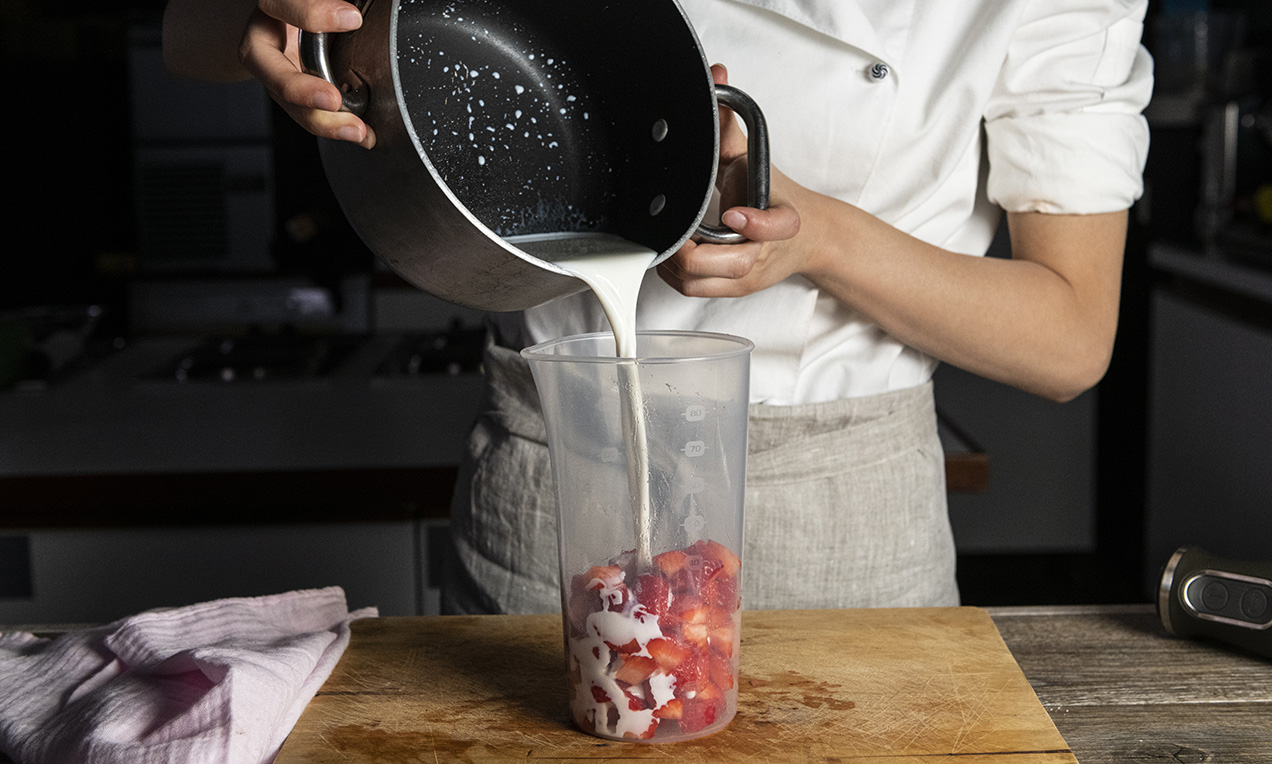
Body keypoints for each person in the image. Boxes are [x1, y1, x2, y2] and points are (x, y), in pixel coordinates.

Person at [163, 0, 1153, 613]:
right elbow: (187, 32)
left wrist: (826, 240)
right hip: (554, 498)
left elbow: (1070, 337)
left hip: (850, 521)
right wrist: (270, 20)